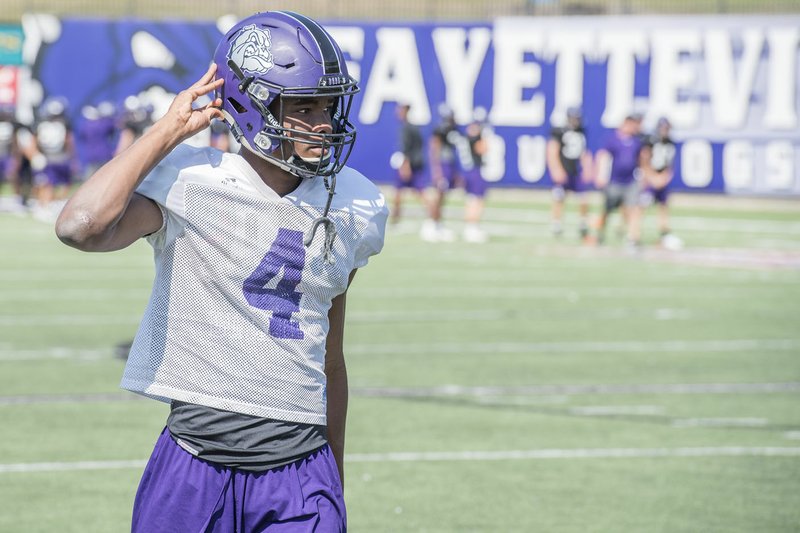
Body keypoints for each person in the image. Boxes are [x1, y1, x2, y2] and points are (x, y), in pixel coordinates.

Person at [56, 10, 387, 532]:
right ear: (251, 105)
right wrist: (166, 131)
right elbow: (80, 225)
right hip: (193, 462)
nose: (323, 122)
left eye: (328, 104)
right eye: (303, 106)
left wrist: (334, 477)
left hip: (302, 470)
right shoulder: (190, 182)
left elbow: (330, 356)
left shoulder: (353, 203)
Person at [593, 112, 644, 250]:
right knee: (607, 210)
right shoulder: (613, 140)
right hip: (614, 181)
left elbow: (641, 160)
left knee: (633, 209)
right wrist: (600, 175)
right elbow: (602, 156)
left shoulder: (636, 141)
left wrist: (642, 176)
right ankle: (599, 233)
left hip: (630, 181)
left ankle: (633, 237)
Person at [546, 106, 593, 240]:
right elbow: (552, 150)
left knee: (584, 197)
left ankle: (583, 222)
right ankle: (556, 223)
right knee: (559, 197)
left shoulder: (581, 131)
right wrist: (556, 169)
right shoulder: (559, 132)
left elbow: (584, 152)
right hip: (564, 168)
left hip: (576, 170)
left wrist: (587, 168)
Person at [640, 117, 682, 250]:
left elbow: (670, 164)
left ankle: (664, 235)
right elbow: (644, 160)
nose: (665, 131)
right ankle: (634, 233)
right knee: (641, 206)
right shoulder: (651, 141)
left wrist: (665, 177)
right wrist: (651, 177)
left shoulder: (670, 142)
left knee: (663, 207)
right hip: (650, 178)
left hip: (662, 179)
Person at [31, 97, 77, 218]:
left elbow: (34, 141)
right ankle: (46, 204)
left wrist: (35, 154)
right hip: (55, 157)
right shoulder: (61, 124)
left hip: (50, 157)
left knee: (52, 183)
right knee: (49, 183)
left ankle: (52, 204)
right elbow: (69, 141)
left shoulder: (43, 124)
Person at [421, 103, 460, 242]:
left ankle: (438, 224)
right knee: (436, 196)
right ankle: (431, 224)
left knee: (443, 197)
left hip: (448, 164)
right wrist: (437, 171)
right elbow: (434, 151)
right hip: (442, 165)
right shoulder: (439, 130)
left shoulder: (453, 129)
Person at [389, 101, 427, 226]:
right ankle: (433, 219)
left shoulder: (406, 128)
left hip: (409, 165)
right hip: (415, 163)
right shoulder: (414, 127)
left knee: (403, 193)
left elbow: (405, 149)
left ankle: (433, 219)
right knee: (415, 193)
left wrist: (405, 166)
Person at [458, 107, 490, 243]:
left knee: (471, 199)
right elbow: (482, 149)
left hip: (467, 169)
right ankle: (472, 227)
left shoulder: (466, 135)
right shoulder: (475, 136)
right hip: (474, 170)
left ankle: (470, 227)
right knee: (477, 199)